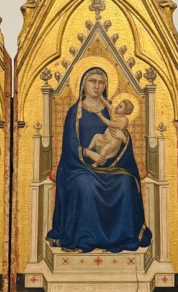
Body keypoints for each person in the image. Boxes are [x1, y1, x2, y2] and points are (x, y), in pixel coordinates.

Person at [46, 67, 152, 253]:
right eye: (92, 81)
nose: (97, 86)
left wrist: (124, 138)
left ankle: (122, 236)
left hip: (110, 165)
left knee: (126, 183)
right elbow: (70, 145)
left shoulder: (113, 110)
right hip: (79, 166)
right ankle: (83, 238)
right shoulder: (75, 112)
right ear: (83, 84)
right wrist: (89, 153)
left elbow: (122, 140)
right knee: (84, 184)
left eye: (101, 82)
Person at [87, 98, 134, 167]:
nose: (118, 106)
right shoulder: (115, 112)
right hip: (106, 136)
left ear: (125, 111)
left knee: (106, 148)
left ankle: (96, 163)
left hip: (114, 140)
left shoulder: (123, 120)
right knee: (97, 136)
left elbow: (109, 123)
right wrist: (101, 98)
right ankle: (89, 148)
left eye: (121, 107)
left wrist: (100, 115)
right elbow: (108, 105)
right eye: (118, 104)